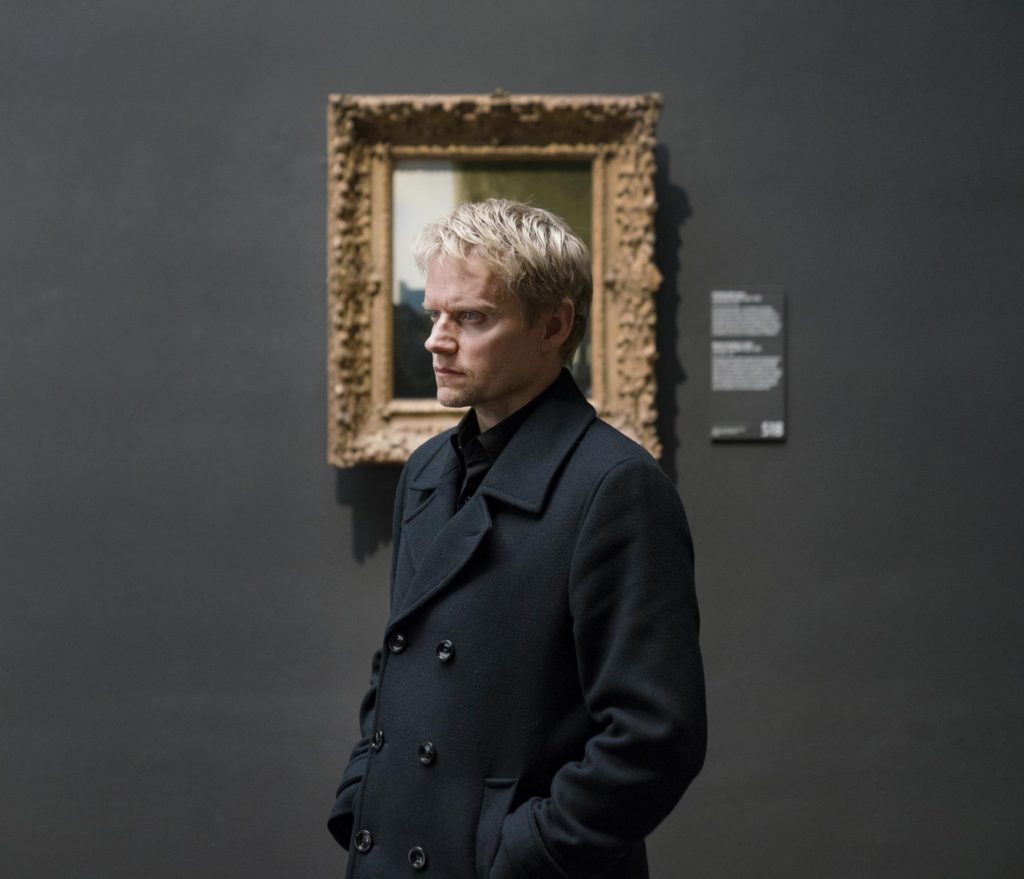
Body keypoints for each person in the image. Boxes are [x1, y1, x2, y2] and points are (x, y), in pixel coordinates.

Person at [328, 199, 706, 879]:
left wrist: (522, 852)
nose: (436, 339)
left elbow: (654, 738)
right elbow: (401, 661)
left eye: (470, 317)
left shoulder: (617, 486)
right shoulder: (427, 470)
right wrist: (362, 790)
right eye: (433, 313)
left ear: (553, 325)